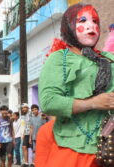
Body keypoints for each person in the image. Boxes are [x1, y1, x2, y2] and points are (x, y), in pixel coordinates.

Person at [36, 3, 114, 167]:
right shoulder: (59, 58)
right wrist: (93, 103)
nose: (91, 26)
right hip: (71, 149)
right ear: (69, 26)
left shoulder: (109, 59)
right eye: (83, 20)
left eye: (95, 21)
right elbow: (49, 102)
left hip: (108, 150)